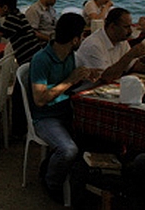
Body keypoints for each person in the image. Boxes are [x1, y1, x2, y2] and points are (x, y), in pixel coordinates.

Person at [28, 13, 99, 204]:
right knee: (68, 150)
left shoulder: (70, 56)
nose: (83, 40)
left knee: (98, 137)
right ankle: (51, 183)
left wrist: (84, 79)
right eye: (82, 36)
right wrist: (70, 80)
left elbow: (69, 86)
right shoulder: (42, 59)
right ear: (75, 39)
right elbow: (40, 99)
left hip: (67, 110)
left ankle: (80, 181)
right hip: (45, 117)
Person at [76, 7, 145, 83]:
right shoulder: (94, 45)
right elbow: (106, 77)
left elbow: (132, 65)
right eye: (126, 27)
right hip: (88, 89)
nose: (130, 31)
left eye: (130, 26)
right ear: (112, 26)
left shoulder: (121, 40)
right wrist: (130, 55)